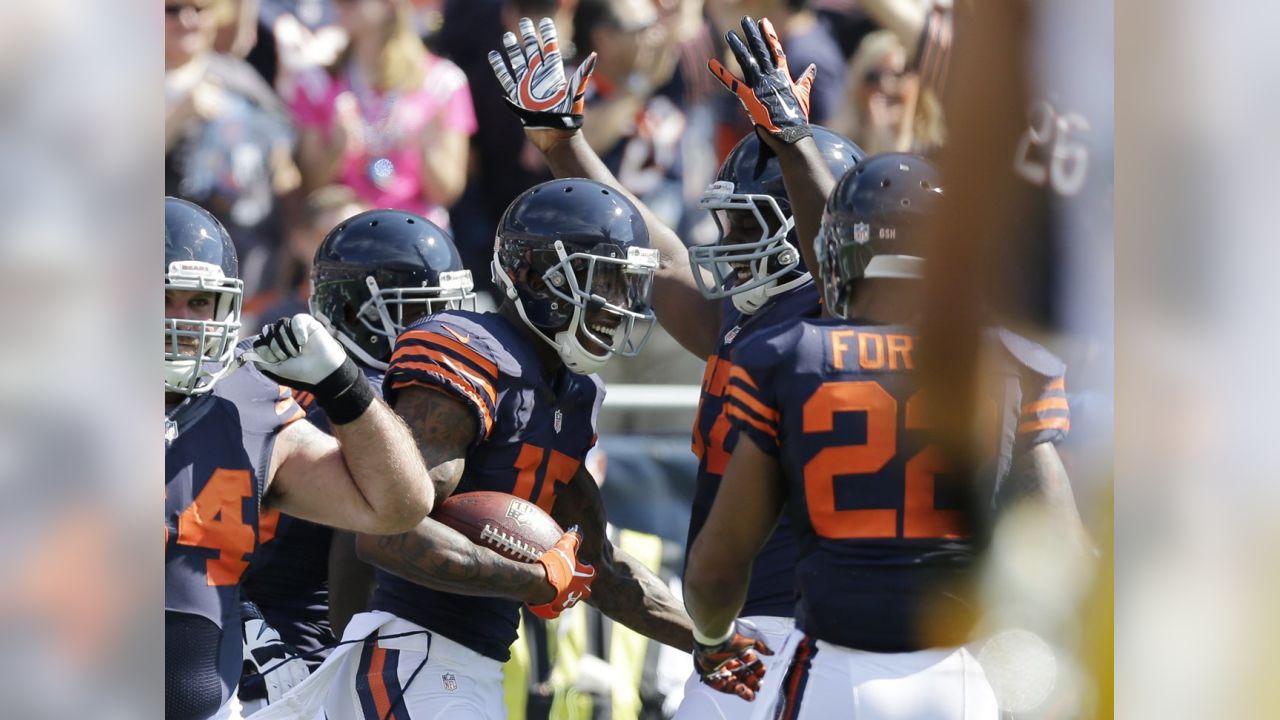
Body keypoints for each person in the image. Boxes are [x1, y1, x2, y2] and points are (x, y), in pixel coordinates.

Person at [487, 15, 861, 714]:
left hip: (800, 627)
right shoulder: (750, 322)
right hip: (744, 633)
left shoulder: (837, 324)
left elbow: (837, 263)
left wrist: (793, 142)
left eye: (749, 224)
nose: (730, 241)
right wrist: (563, 142)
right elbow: (658, 257)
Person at [249, 178, 692, 720]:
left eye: (628, 283)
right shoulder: (469, 354)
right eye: (604, 281)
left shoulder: (574, 393)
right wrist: (533, 579)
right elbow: (385, 533)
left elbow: (594, 564)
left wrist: (714, 645)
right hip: (408, 653)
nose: (618, 304)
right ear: (532, 277)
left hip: (463, 664)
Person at [683, 152, 1088, 719]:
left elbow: (715, 570)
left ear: (839, 252)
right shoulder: (1008, 362)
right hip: (958, 682)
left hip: (832, 674)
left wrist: (711, 640)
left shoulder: (792, 356)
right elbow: (1063, 557)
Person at [164, 197, 436, 720]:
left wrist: (343, 385)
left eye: (200, 303)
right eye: (165, 298)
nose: (184, 322)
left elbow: (400, 505)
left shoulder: (247, 406)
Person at [237, 208, 478, 713]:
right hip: (300, 656)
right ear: (350, 314)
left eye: (452, 310)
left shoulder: (265, 378)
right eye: (423, 313)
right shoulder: (365, 409)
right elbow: (364, 552)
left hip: (248, 635)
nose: (448, 332)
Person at [165, 0, 304, 304]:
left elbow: (283, 152)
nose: (187, 20)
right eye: (172, 10)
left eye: (199, 10)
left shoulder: (240, 77)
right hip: (167, 254)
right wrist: (177, 116)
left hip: (247, 251)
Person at [290, 0, 475, 229]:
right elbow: (310, 187)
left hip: (417, 237)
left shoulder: (442, 82)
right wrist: (336, 149)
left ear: (390, 5)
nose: (339, 4)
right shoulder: (316, 82)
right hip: (347, 236)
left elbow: (447, 191)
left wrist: (426, 151)